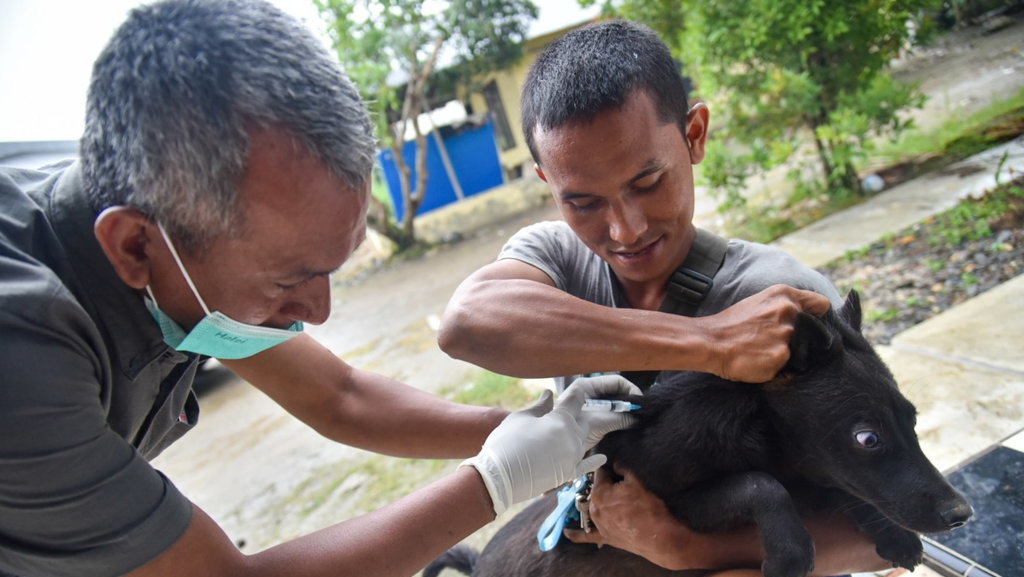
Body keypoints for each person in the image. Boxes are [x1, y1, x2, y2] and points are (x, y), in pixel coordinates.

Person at [0, 2, 643, 576]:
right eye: (290, 280)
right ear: (135, 247)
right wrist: (495, 481)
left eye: (333, 267)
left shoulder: (162, 211)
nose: (320, 311)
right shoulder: (18, 353)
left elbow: (341, 396)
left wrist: (538, 428)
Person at [438, 19, 886, 575]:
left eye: (648, 183)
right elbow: (466, 323)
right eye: (582, 203)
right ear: (546, 182)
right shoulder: (555, 256)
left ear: (694, 134)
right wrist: (709, 343)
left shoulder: (783, 305)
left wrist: (683, 547)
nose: (625, 230)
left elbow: (879, 534)